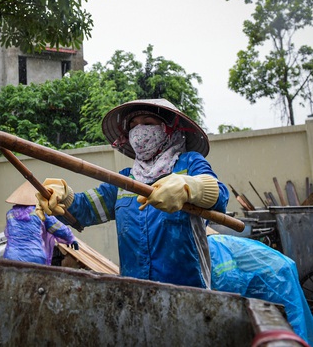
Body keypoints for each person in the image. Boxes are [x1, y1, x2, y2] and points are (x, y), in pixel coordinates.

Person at [35, 98, 229, 288]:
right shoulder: (125, 181)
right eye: (133, 125)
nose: (139, 130)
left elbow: (221, 197)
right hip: (134, 295)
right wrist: (63, 196)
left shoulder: (189, 164)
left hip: (187, 293)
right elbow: (85, 209)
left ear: (169, 129)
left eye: (148, 123)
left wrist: (189, 187)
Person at [207, 232, 313, 347]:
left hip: (274, 276)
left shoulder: (212, 246)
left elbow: (229, 281)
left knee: (287, 320)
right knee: (291, 315)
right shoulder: (214, 241)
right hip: (277, 269)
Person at [3, 180, 79, 265]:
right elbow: (58, 228)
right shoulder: (39, 212)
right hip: (35, 256)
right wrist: (71, 239)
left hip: (12, 256)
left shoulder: (10, 214)